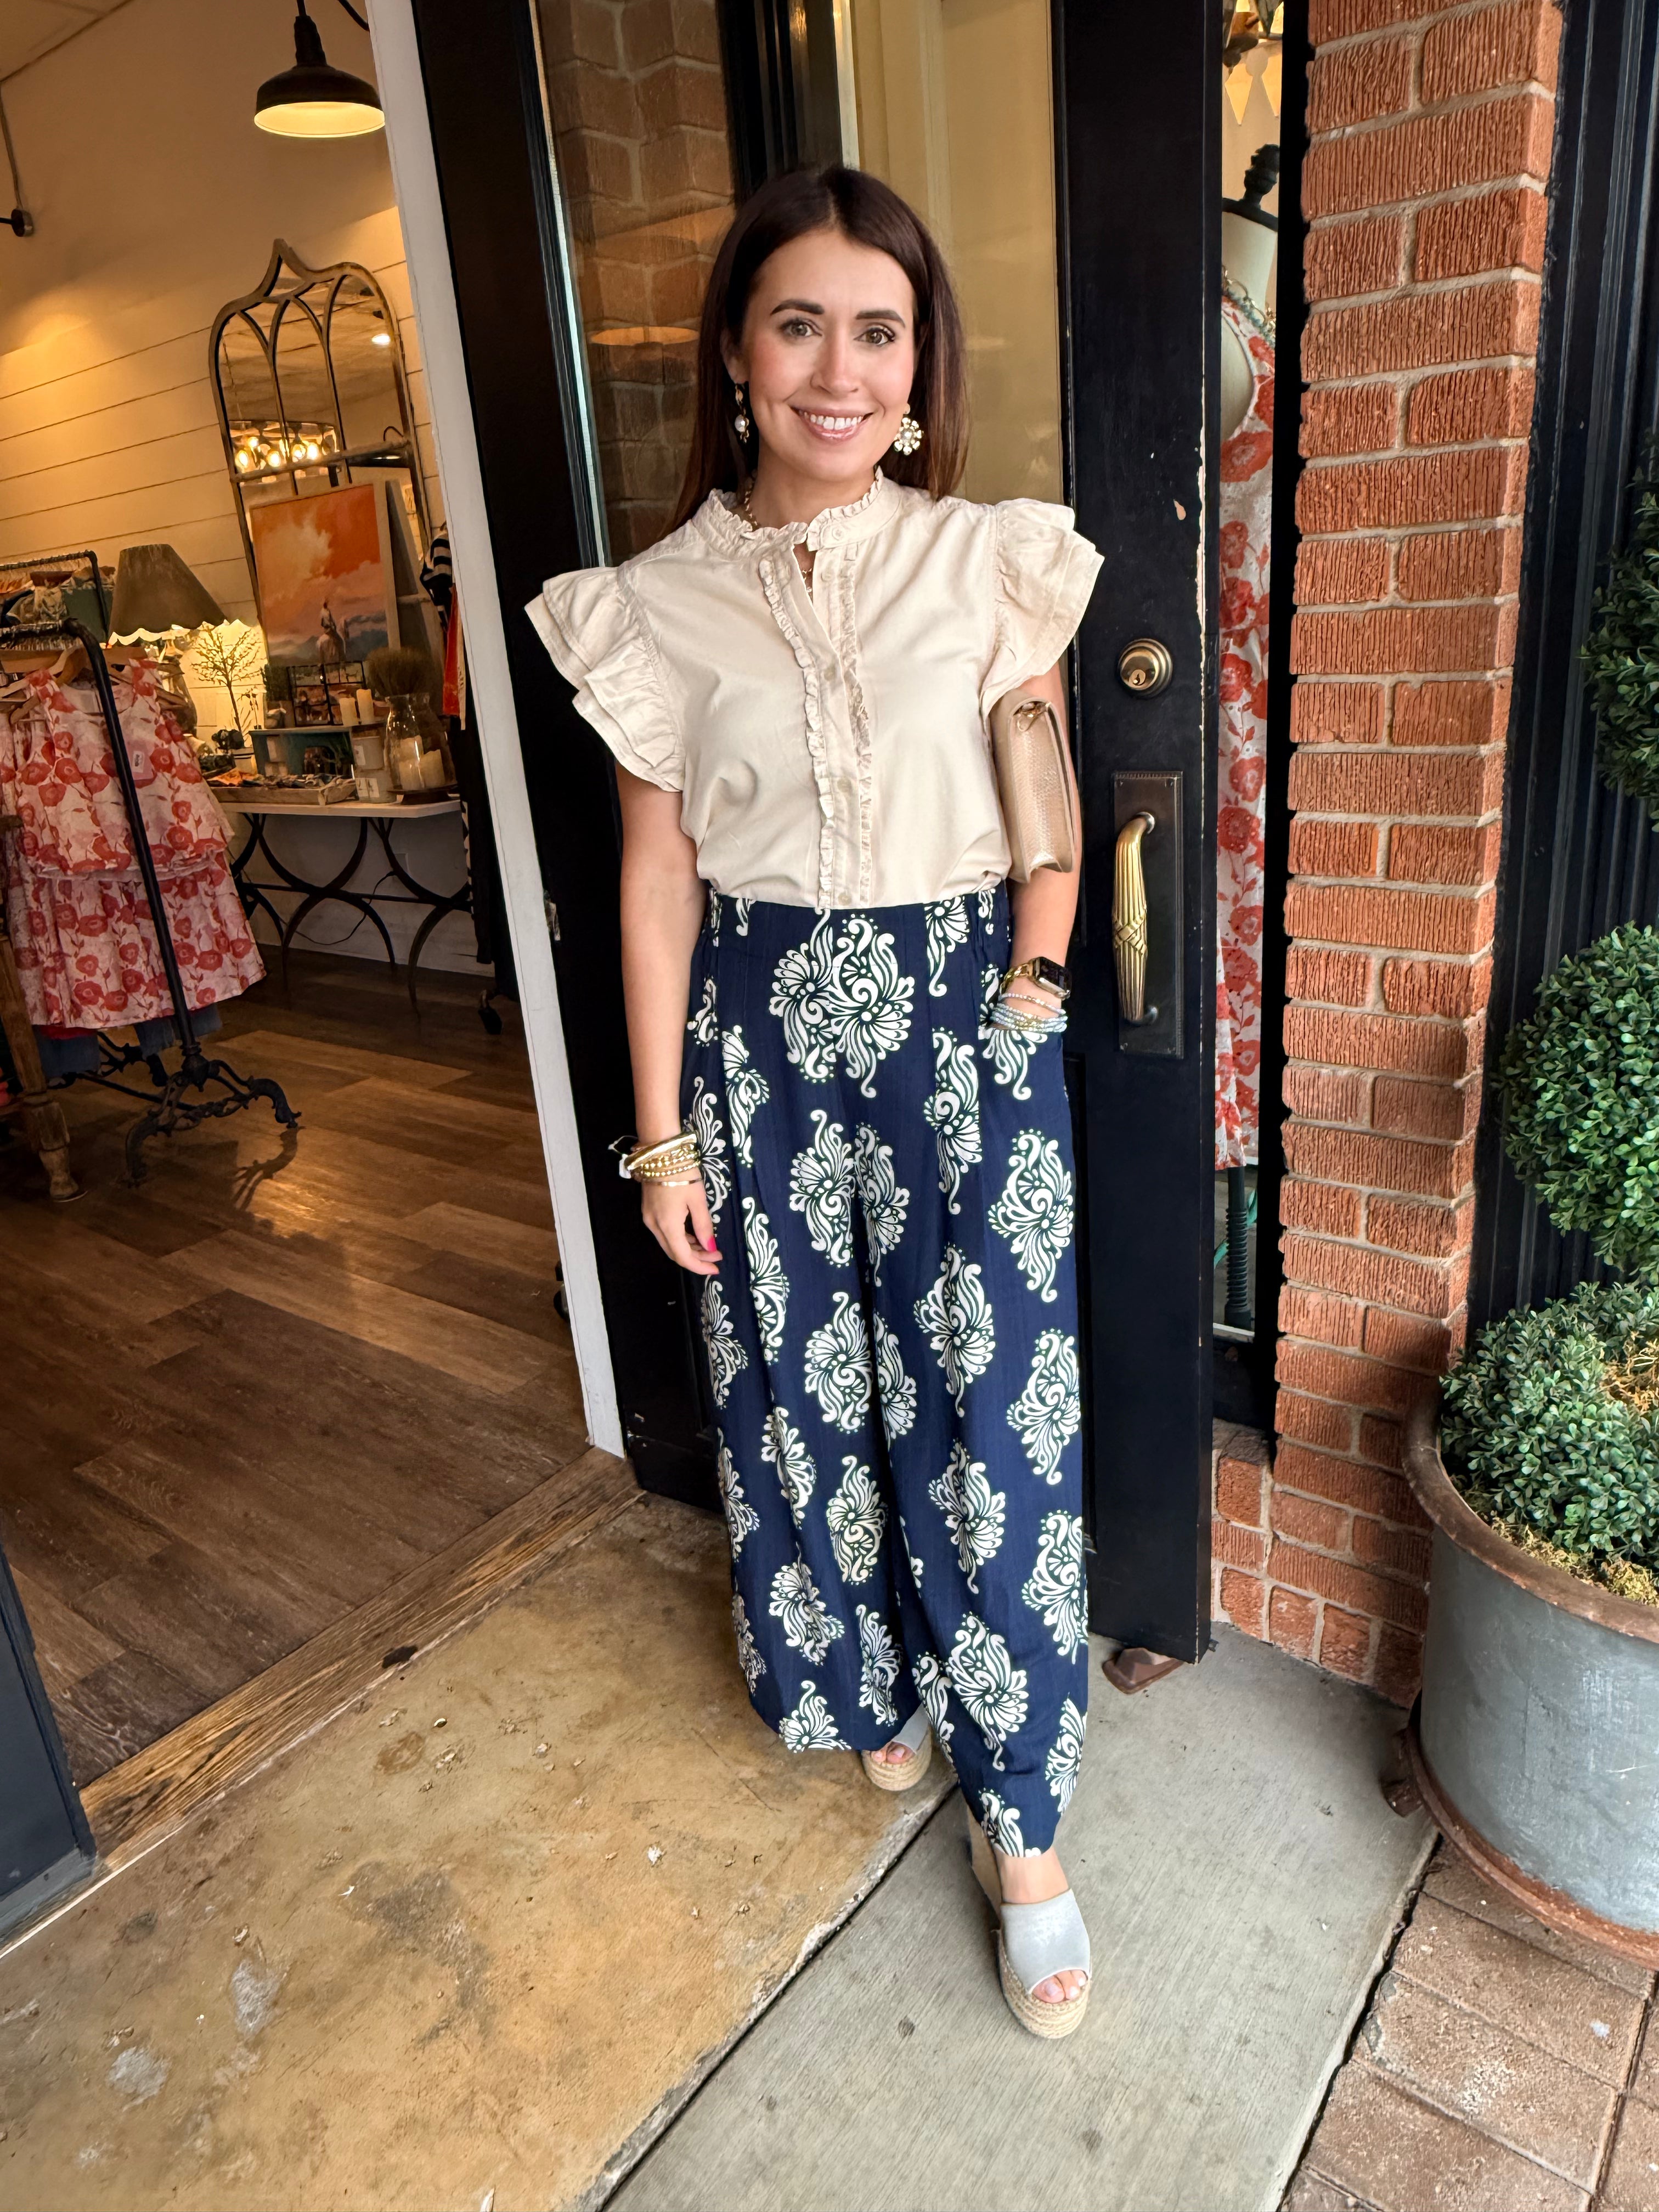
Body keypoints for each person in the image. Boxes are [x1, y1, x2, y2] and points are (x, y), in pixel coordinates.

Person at [529, 165, 1101, 2039]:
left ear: (920, 363)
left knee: (992, 1410)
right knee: (804, 1387)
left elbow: (1040, 791)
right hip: (758, 1042)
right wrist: (660, 1135)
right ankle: (867, 1688)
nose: (839, 372)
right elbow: (658, 882)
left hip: (967, 1029)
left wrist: (1031, 987)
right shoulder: (652, 607)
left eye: (878, 331)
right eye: (799, 326)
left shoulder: (986, 560)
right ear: (734, 350)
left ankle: (1023, 1824)